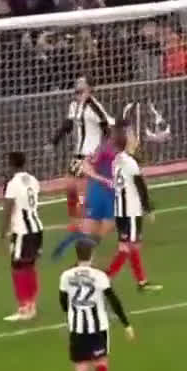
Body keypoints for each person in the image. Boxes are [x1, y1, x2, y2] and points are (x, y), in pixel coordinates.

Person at [59, 240, 134, 371]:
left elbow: (63, 302)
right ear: (92, 255)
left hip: (77, 329)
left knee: (81, 368)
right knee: (101, 362)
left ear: (77, 254)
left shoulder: (66, 276)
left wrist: (73, 314)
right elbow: (114, 301)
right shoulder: (100, 276)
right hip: (98, 327)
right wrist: (126, 324)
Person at [50, 78, 116, 232]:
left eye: (82, 84)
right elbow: (67, 125)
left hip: (89, 154)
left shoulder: (94, 107)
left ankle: (89, 221)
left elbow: (107, 129)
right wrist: (54, 141)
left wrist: (100, 152)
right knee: (70, 185)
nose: (78, 86)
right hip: (78, 154)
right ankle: (77, 221)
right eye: (77, 84)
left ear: (89, 89)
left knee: (82, 189)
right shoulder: (74, 105)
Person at [52, 123, 124, 260]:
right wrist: (101, 179)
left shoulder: (114, 150)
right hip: (101, 193)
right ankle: (74, 253)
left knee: (99, 228)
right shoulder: (105, 150)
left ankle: (76, 253)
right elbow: (86, 166)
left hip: (107, 193)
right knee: (98, 227)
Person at [108, 129, 162, 292]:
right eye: (131, 136)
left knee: (130, 247)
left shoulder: (117, 160)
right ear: (126, 142)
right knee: (128, 248)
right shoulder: (130, 163)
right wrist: (148, 209)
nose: (135, 138)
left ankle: (141, 281)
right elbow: (140, 187)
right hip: (131, 210)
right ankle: (105, 279)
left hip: (120, 210)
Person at [0, 151, 43, 321]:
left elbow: (8, 209)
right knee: (30, 266)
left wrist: (2, 233)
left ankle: (24, 307)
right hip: (36, 228)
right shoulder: (33, 180)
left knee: (18, 268)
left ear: (11, 165)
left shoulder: (12, 184)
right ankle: (31, 303)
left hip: (22, 230)